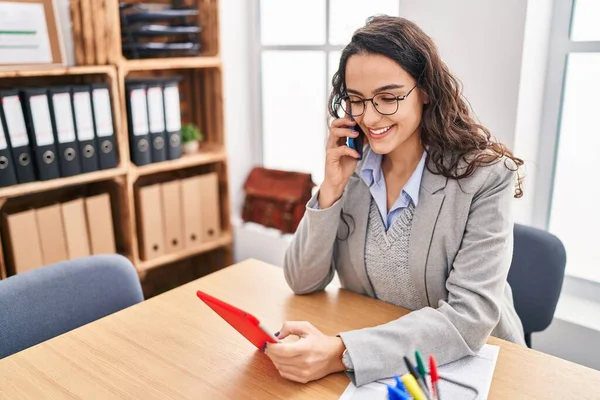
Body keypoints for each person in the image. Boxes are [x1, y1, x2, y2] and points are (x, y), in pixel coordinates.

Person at [264, 15, 526, 387]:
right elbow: (302, 280)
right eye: (356, 100)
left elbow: (469, 319)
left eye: (387, 98)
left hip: (474, 366)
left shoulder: (485, 177)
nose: (369, 117)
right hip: (382, 355)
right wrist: (331, 188)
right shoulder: (352, 168)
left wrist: (341, 352)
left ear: (425, 91)